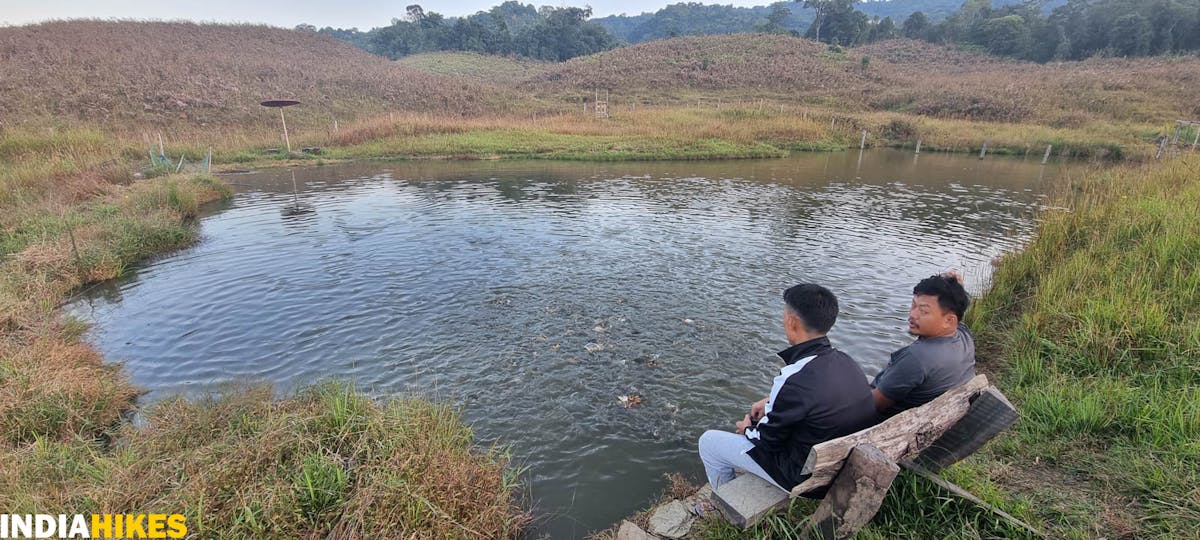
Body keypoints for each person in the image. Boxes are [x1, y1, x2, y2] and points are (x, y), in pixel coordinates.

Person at [698, 284, 878, 494]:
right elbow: (813, 401)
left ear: (792, 322)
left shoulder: (794, 378)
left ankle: (725, 503)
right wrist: (770, 403)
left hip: (807, 481)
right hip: (841, 465)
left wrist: (747, 428)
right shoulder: (847, 362)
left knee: (709, 442)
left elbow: (765, 441)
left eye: (784, 315)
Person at [870, 272, 976, 417]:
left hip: (883, 428)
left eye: (923, 311)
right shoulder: (964, 336)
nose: (912, 314)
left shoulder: (917, 358)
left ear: (949, 321)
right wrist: (955, 287)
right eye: (913, 305)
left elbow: (873, 404)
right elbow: (956, 310)